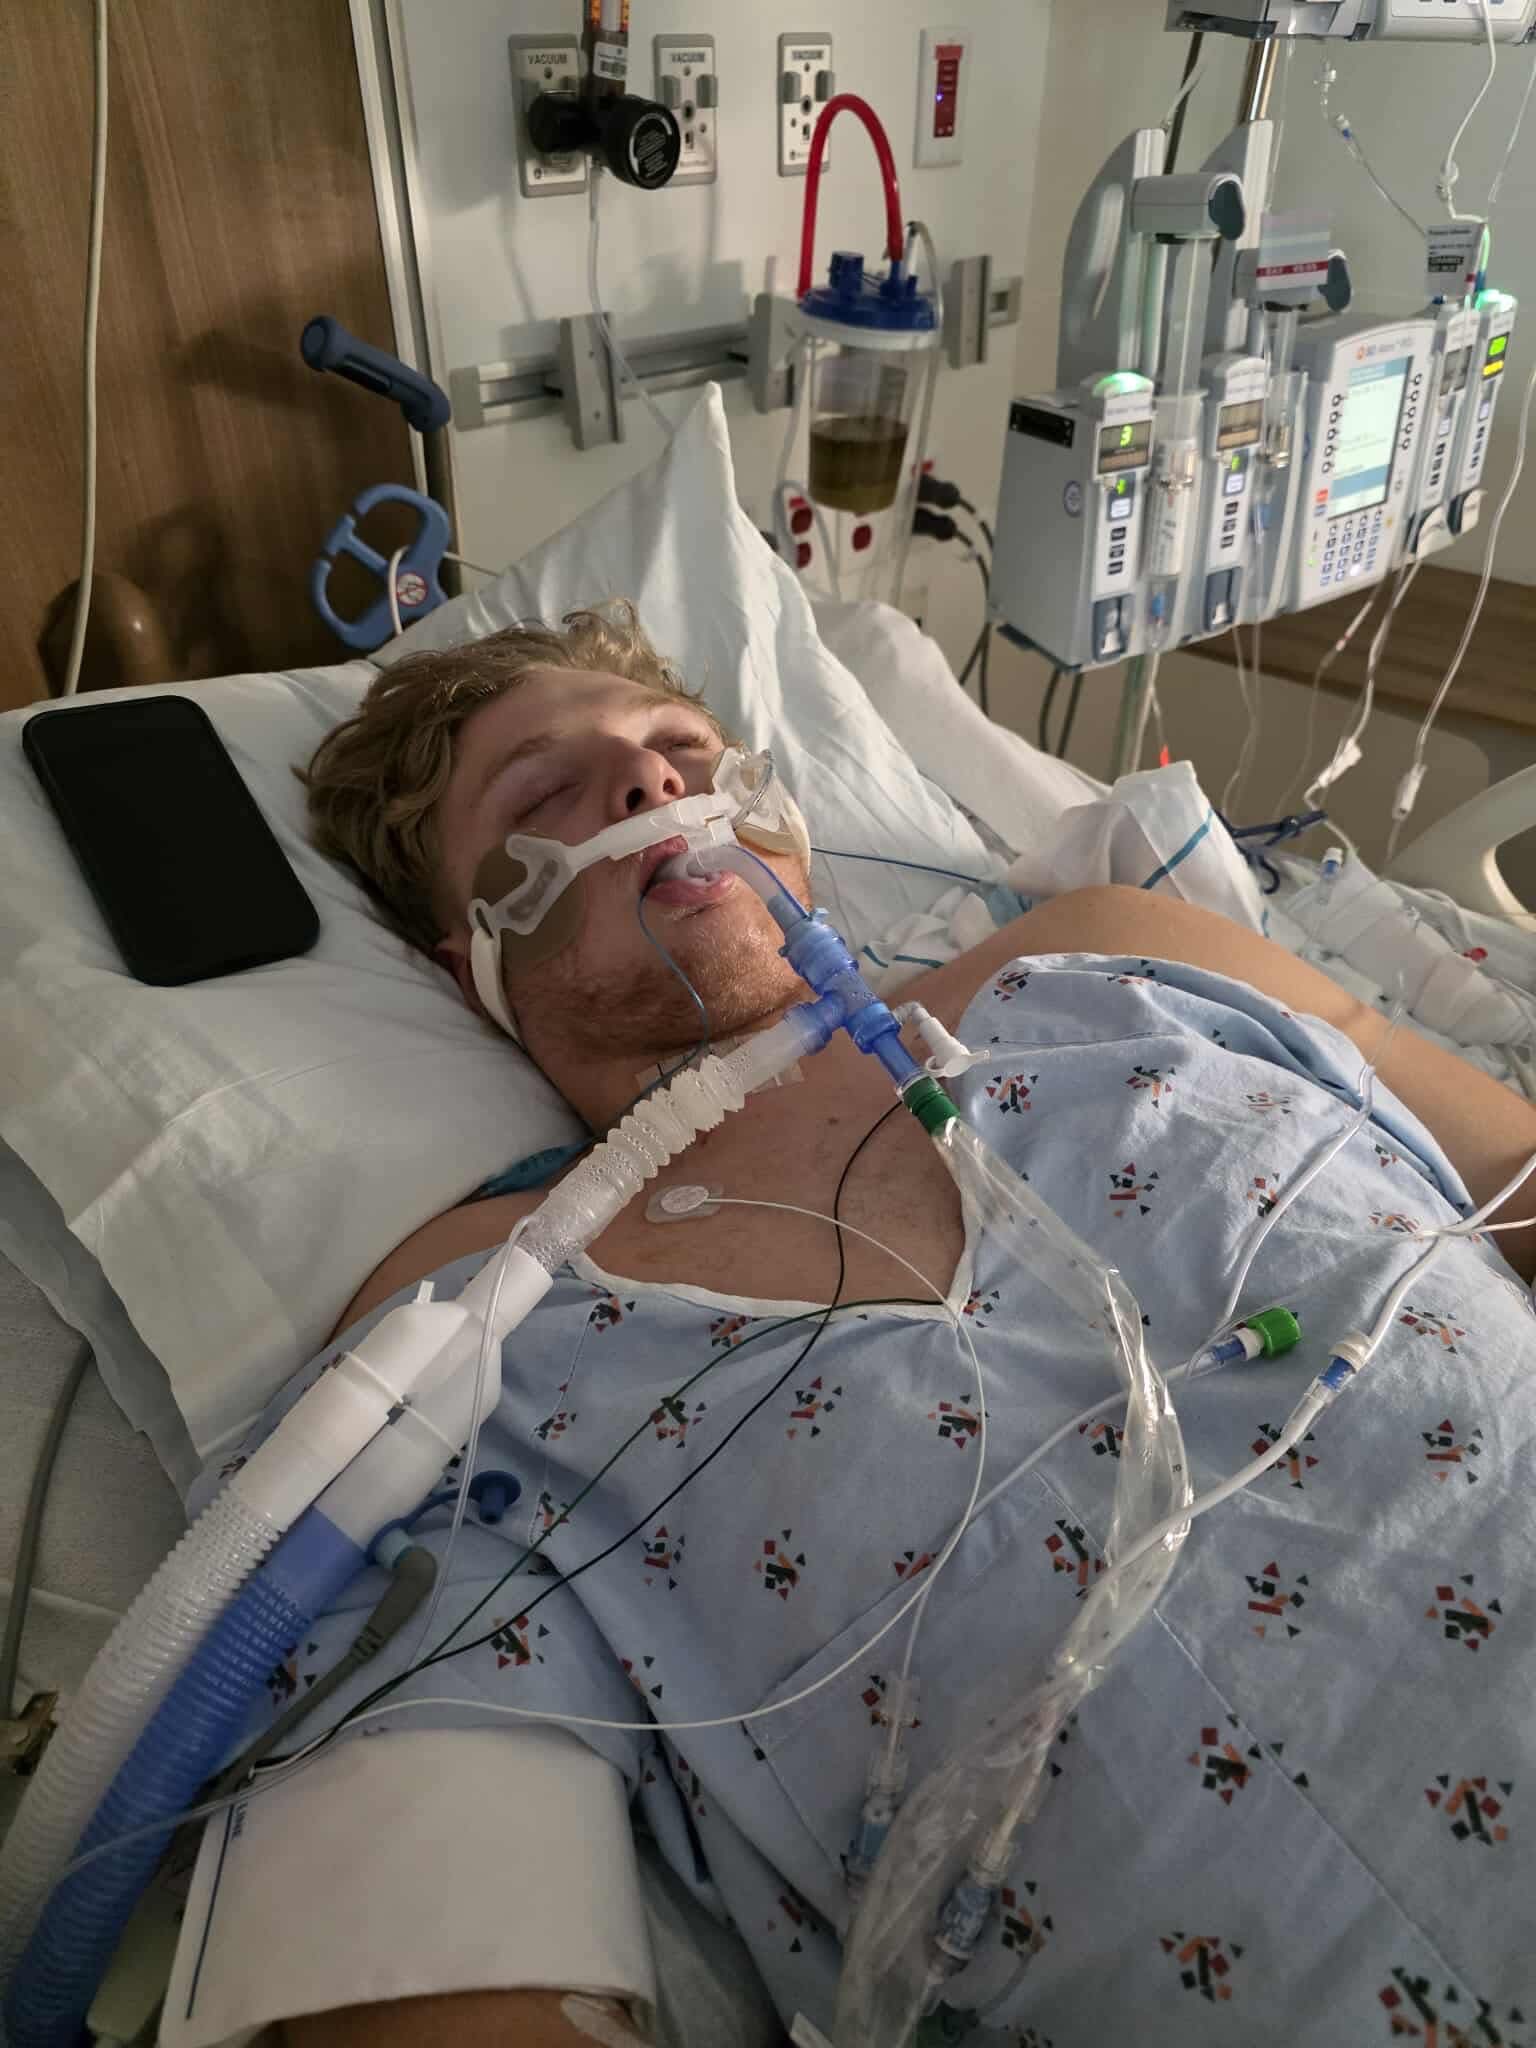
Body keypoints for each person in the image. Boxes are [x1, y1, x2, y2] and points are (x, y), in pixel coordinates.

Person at [180, 605, 1536, 2048]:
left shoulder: (1099, 958)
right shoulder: (489, 1320)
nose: (650, 783)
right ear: (471, 963)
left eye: (681, 748)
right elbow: (419, 1879)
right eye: (545, 794)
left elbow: (1515, 1170)